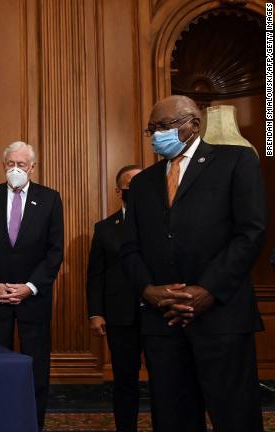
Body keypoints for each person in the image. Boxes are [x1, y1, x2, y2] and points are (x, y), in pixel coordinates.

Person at [121, 95, 266, 432]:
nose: (157, 135)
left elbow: (251, 233)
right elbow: (128, 248)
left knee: (235, 417)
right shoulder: (143, 183)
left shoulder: (237, 161)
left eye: (164, 126)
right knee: (173, 419)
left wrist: (207, 290)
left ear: (193, 124)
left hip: (221, 317)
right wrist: (149, 290)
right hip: (163, 322)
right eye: (151, 129)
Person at [0, 141, 63, 431]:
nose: (16, 169)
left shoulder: (50, 199)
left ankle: (33, 423)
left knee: (36, 368)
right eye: (11, 164)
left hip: (33, 299)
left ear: (32, 167)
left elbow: (55, 251)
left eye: (22, 165)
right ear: (3, 165)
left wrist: (30, 286)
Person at [86, 164, 142, 432]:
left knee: (169, 379)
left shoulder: (165, 221)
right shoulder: (105, 228)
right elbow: (96, 274)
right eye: (132, 184)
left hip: (161, 313)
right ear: (119, 190)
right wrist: (96, 312)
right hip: (121, 315)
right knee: (124, 381)